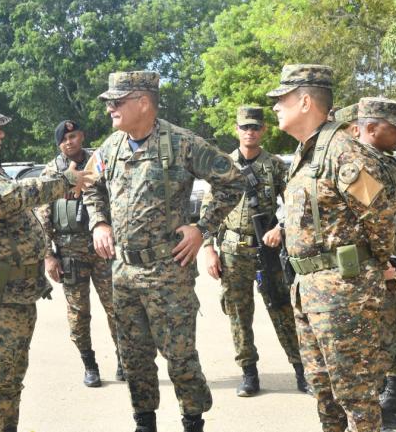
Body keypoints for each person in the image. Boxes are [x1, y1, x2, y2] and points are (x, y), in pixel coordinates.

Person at [83, 71, 244, 432]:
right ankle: (144, 422)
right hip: (123, 272)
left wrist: (202, 228)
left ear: (143, 102)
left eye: (117, 101)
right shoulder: (110, 147)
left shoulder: (182, 143)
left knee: (180, 355)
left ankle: (192, 420)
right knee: (134, 357)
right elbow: (90, 185)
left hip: (167, 270)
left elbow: (233, 182)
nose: (110, 108)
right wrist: (99, 223)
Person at [269, 64, 396, 432]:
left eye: (281, 99)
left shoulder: (344, 153)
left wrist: (375, 265)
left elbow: (380, 215)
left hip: (344, 292)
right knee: (324, 393)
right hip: (309, 289)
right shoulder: (307, 152)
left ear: (306, 100)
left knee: (355, 396)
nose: (275, 106)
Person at [0, 92, 91, 432]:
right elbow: (4, 199)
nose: (2, 134)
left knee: (8, 383)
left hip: (13, 292)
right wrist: (63, 183)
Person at [198, 106, 306, 397]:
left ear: (264, 130)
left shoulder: (275, 166)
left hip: (268, 249)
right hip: (233, 250)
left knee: (283, 310)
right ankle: (249, 373)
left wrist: (281, 228)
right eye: (245, 127)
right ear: (236, 129)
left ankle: (301, 370)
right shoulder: (222, 165)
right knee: (238, 314)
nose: (250, 132)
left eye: (255, 127)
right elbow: (208, 212)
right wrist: (208, 249)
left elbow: (296, 203)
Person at [353, 97, 396, 429]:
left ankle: (389, 400)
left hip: (392, 264)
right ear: (370, 128)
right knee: (373, 342)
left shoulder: (386, 163)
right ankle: (377, 408)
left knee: (388, 335)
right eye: (394, 128)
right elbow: (375, 226)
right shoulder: (358, 167)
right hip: (371, 270)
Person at [37, 119, 123, 388]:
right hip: (69, 254)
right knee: (78, 313)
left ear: (82, 136)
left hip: (103, 250)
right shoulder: (51, 172)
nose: (69, 141)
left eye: (73, 136)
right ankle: (90, 365)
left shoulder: (99, 163)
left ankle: (124, 360)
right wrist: (48, 256)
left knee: (117, 309)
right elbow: (42, 217)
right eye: (64, 139)